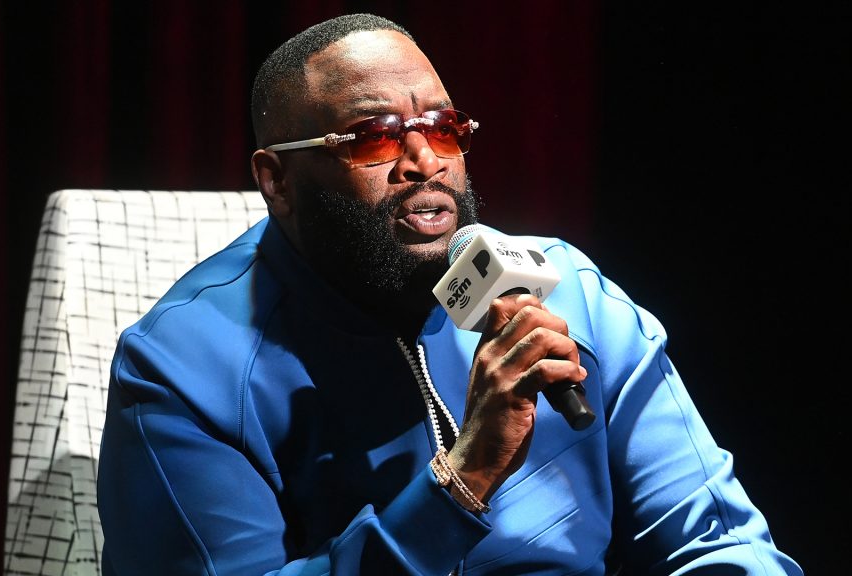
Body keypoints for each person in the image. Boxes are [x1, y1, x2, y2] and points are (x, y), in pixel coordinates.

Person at [97, 13, 803, 576]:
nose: (425, 161)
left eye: (443, 128)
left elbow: (714, 539)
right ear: (277, 180)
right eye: (373, 138)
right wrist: (461, 479)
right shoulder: (183, 368)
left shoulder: (570, 294)